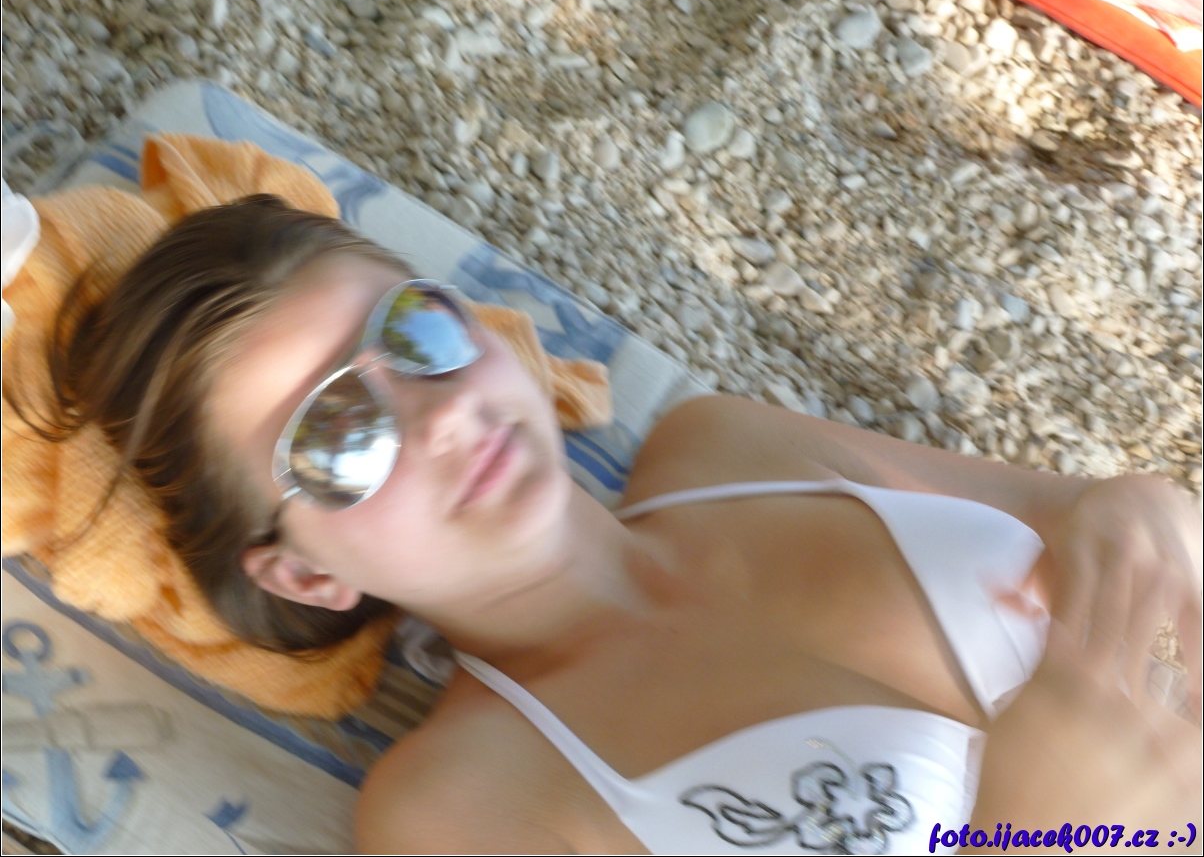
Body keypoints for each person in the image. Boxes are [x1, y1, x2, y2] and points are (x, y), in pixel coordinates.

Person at [23, 195, 1202, 854]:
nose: (440, 414)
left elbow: (1112, 533)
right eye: (337, 435)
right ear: (306, 575)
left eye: (413, 332)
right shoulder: (460, 803)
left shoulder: (726, 448)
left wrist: (1139, 511)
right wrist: (1039, 839)